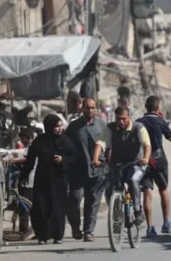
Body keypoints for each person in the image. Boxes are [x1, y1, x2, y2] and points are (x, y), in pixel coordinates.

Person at [92, 106, 151, 225]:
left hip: (137, 164)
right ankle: (117, 217)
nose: (121, 122)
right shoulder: (111, 128)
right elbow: (100, 143)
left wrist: (145, 158)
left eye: (124, 119)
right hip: (118, 164)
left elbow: (147, 145)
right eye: (118, 119)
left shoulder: (138, 127)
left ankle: (138, 211)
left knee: (132, 180)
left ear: (129, 117)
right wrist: (95, 158)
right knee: (110, 189)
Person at [21, 114, 75, 245]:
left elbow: (74, 158)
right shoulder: (40, 141)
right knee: (41, 207)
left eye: (61, 126)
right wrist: (24, 175)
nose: (60, 129)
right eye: (57, 126)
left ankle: (58, 236)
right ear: (49, 126)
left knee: (58, 208)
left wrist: (63, 160)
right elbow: (31, 159)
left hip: (59, 180)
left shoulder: (65, 141)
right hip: (42, 179)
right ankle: (42, 236)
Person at [65, 98, 108, 242]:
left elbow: (108, 145)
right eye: (87, 108)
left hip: (98, 170)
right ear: (82, 108)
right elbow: (66, 146)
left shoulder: (102, 125)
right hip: (78, 170)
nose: (90, 110)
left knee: (93, 201)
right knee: (74, 199)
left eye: (93, 108)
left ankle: (88, 231)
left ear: (96, 109)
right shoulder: (73, 127)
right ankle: (75, 227)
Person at [136, 96, 171, 237]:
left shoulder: (138, 122)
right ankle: (166, 223)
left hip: (143, 161)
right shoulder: (160, 121)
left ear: (145, 107)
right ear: (158, 108)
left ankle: (150, 227)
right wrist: (163, 121)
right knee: (163, 189)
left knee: (147, 192)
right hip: (159, 160)